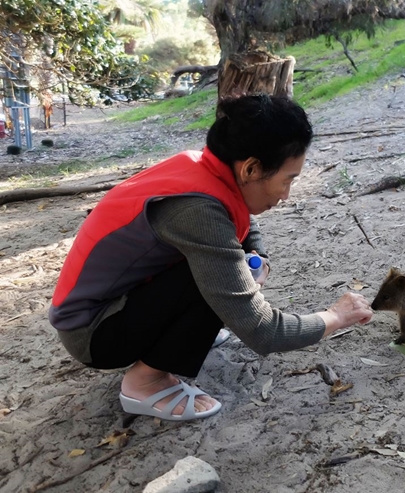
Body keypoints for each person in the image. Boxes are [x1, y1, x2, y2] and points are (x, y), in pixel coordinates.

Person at [48, 94, 373, 421]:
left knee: (224, 273)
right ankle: (145, 381)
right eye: (288, 180)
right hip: (94, 334)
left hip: (114, 304)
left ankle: (178, 336)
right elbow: (262, 330)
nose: (286, 195)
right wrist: (335, 317)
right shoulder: (197, 211)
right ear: (250, 168)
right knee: (218, 280)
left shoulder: (203, 169)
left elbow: (241, 219)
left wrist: (256, 254)